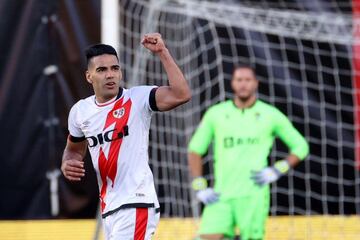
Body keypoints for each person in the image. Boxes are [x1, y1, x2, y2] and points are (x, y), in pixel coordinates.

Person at [61, 33, 191, 239]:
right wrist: (68, 162)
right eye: (102, 70)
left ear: (120, 73)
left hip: (136, 202)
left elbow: (181, 94)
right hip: (110, 209)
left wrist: (162, 53)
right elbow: (74, 150)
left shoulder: (138, 98)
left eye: (115, 68)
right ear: (89, 76)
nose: (110, 74)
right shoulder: (80, 111)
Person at [188, 66, 309, 240]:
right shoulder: (216, 114)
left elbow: (301, 147)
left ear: (256, 83)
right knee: (207, 236)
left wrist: (277, 169)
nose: (243, 84)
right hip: (221, 195)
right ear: (232, 84)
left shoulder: (270, 114)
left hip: (254, 194)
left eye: (247, 80)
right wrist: (199, 185)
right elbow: (195, 149)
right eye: (239, 80)